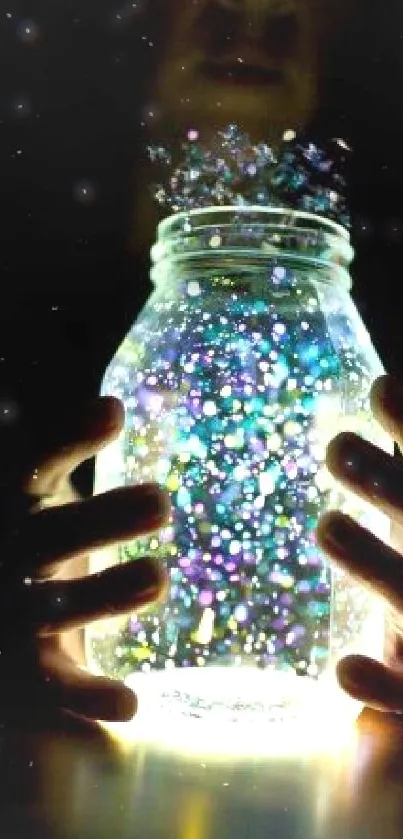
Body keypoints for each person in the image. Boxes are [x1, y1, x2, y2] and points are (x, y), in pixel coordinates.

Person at [1, 0, 400, 727]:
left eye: (287, 27)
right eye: (214, 13)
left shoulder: (372, 301)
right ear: (141, 46)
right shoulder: (23, 280)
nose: (249, 38)